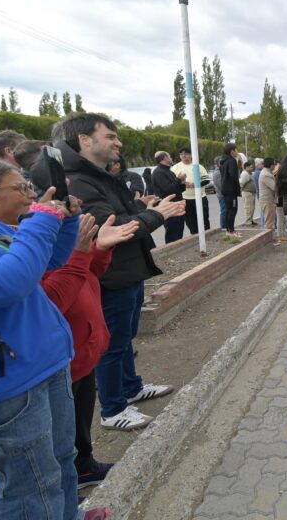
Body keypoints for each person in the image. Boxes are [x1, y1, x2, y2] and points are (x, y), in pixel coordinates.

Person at [0, 161, 112, 520]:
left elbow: (47, 262)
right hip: (13, 383)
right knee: (29, 484)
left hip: (45, 363)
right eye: (20, 188)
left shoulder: (4, 229)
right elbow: (6, 284)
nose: (30, 193)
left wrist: (66, 222)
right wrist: (43, 218)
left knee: (62, 458)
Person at [61, 113, 185, 431]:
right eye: (110, 136)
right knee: (112, 344)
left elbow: (124, 213)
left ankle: (131, 388)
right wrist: (155, 214)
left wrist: (143, 208)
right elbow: (112, 227)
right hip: (111, 275)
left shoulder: (102, 176)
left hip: (127, 271)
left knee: (125, 338)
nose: (118, 142)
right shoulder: (79, 182)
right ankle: (113, 409)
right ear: (85, 140)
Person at [41, 212, 139, 490]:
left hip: (84, 352)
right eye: (20, 188)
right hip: (62, 359)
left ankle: (83, 467)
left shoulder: (56, 232)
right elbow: (53, 297)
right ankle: (64, 489)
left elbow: (87, 271)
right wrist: (79, 254)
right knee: (58, 434)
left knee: (80, 419)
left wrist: (97, 250)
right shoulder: (28, 242)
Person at [171, 147, 211, 234]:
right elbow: (172, 182)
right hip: (185, 199)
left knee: (203, 219)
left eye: (186, 153)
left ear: (191, 155)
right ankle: (194, 236)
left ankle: (207, 236)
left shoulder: (198, 166)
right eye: (181, 154)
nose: (183, 156)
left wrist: (194, 185)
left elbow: (207, 180)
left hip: (200, 197)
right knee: (190, 221)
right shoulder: (175, 168)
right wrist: (182, 183)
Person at [151, 150, 187, 243]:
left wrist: (182, 182)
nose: (171, 158)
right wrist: (178, 179)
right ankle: (172, 252)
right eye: (169, 156)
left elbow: (179, 190)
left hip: (178, 205)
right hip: (169, 207)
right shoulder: (158, 172)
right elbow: (167, 190)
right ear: (164, 158)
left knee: (179, 231)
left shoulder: (169, 171)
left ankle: (178, 249)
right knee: (172, 232)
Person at [219, 143, 242, 237]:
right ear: (232, 151)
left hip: (225, 189)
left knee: (229, 210)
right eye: (236, 150)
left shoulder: (223, 161)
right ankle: (231, 231)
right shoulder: (232, 161)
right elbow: (233, 176)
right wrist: (238, 188)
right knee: (233, 210)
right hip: (231, 190)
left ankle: (229, 230)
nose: (237, 152)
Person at [258, 157, 278, 242]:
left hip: (267, 201)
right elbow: (274, 187)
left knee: (269, 221)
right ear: (271, 165)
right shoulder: (266, 174)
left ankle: (269, 239)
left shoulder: (267, 172)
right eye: (274, 164)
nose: (275, 166)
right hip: (268, 201)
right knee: (269, 223)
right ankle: (268, 241)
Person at [210, 156, 226, 230]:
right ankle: (223, 226)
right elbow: (221, 185)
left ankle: (226, 225)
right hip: (222, 195)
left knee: (226, 210)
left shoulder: (221, 170)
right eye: (221, 162)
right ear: (218, 163)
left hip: (224, 194)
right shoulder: (217, 173)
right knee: (224, 210)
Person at [240, 161, 257, 226]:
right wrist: (242, 191)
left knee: (252, 207)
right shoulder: (245, 174)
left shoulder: (249, 173)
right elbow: (241, 184)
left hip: (251, 193)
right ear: (246, 167)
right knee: (248, 208)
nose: (252, 168)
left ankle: (251, 220)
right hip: (247, 193)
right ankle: (248, 222)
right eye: (251, 167)